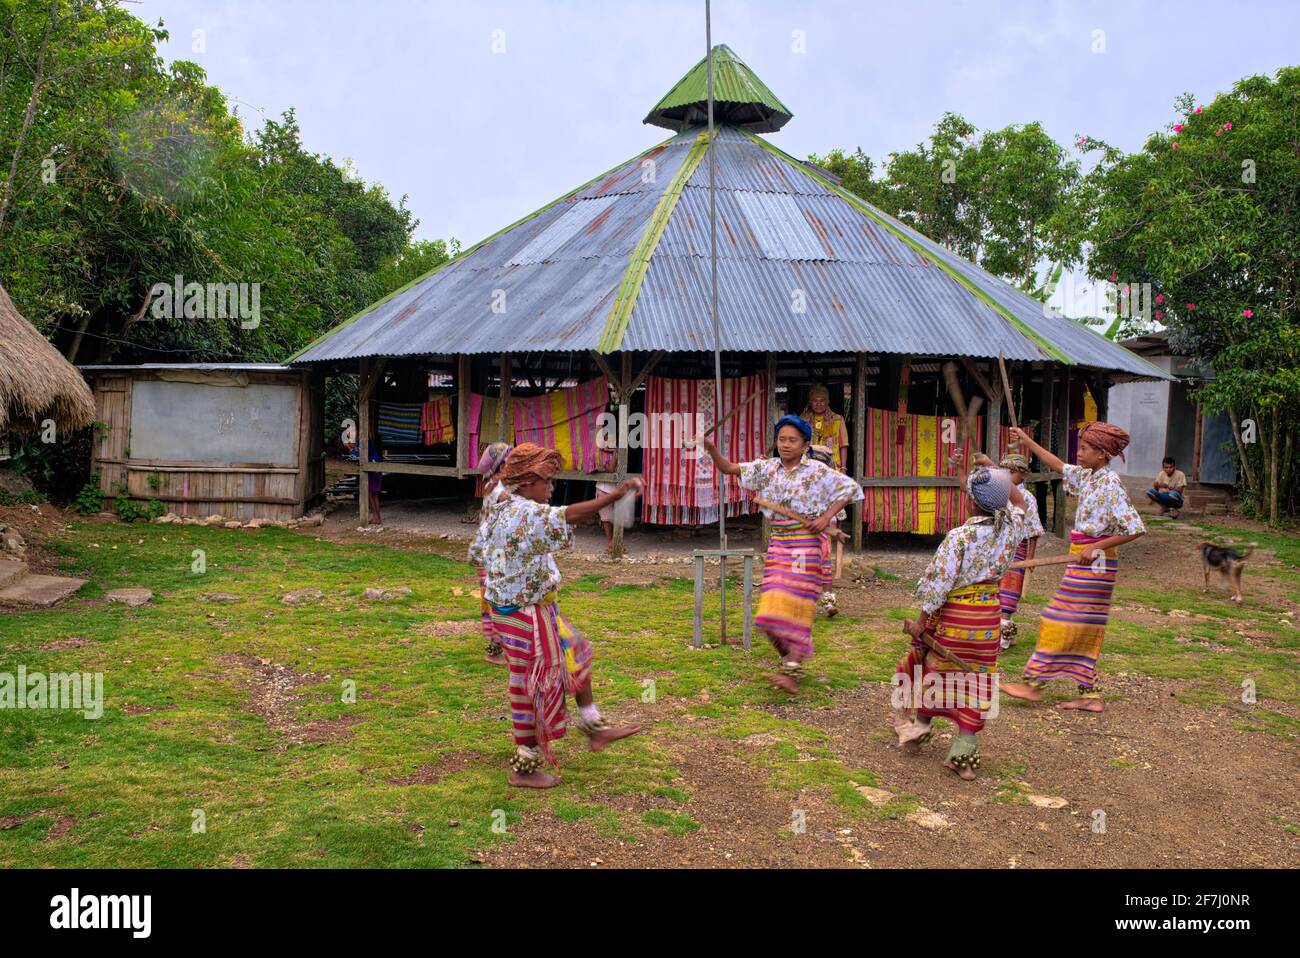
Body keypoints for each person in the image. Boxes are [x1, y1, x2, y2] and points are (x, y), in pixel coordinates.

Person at [469, 442, 643, 788]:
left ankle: (594, 727)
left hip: (536, 608)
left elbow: (480, 550)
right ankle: (523, 767)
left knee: (575, 651)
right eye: (547, 482)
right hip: (523, 614)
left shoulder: (507, 502)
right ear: (527, 481)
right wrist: (617, 495)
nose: (552, 489)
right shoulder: (521, 511)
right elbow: (571, 514)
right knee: (534, 685)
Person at [695, 415, 862, 694]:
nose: (785, 445)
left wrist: (825, 518)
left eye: (792, 440)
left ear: (805, 444)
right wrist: (711, 449)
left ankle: (792, 670)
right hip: (779, 544)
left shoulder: (816, 472)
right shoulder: (766, 469)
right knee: (768, 613)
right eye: (781, 439)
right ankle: (790, 661)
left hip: (805, 546)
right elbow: (728, 469)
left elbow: (851, 488)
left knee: (796, 607)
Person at [893, 456, 1027, 780]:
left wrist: (922, 622)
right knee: (977, 680)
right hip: (988, 619)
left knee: (935, 669)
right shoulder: (1011, 528)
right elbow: (1019, 502)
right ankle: (964, 751)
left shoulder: (960, 537)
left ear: (970, 499)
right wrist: (995, 475)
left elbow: (939, 584)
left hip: (957, 617)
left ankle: (920, 725)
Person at [1000, 422, 1146, 713]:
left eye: (1085, 449)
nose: (1078, 454)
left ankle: (1033, 685)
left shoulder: (1110, 484)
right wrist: (1027, 440)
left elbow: (1135, 528)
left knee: (1057, 618)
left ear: (1103, 454)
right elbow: (1057, 464)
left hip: (1097, 564)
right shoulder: (1089, 476)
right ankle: (1089, 695)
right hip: (1083, 556)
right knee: (1081, 627)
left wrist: (1096, 547)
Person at [996, 453, 1045, 649]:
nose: (1007, 475)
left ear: (1022, 475)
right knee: (994, 590)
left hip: (1017, 549)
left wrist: (1030, 558)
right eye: (1004, 471)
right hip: (997, 547)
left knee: (1010, 591)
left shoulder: (1028, 498)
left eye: (1011, 472)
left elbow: (1033, 530)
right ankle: (1000, 630)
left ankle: (1005, 632)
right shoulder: (997, 492)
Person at [474, 442, 512, 665]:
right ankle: (493, 650)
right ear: (502, 465)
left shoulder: (494, 485)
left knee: (497, 596)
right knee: (495, 599)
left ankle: (501, 645)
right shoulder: (498, 491)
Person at [800, 385, 850, 471]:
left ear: (827, 402)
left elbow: (843, 445)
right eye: (815, 401)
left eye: (822, 400)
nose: (819, 404)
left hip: (832, 467)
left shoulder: (837, 419)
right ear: (810, 402)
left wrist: (843, 468)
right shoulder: (802, 420)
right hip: (807, 466)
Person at [366, 430, 384, 526]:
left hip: (372, 467)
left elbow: (364, 454)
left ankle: (375, 517)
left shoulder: (367, 440)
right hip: (378, 466)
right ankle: (378, 517)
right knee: (375, 493)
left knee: (369, 493)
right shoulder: (376, 440)